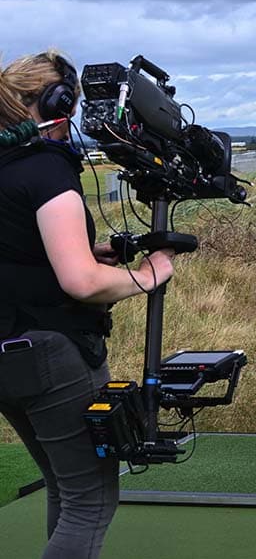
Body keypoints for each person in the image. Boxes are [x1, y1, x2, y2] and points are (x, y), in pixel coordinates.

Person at [0, 50, 176, 557]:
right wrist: (147, 276)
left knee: (64, 485)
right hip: (49, 353)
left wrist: (89, 249)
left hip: (8, 350)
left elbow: (18, 251)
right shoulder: (47, 171)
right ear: (60, 102)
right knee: (90, 501)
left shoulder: (7, 166)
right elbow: (80, 283)